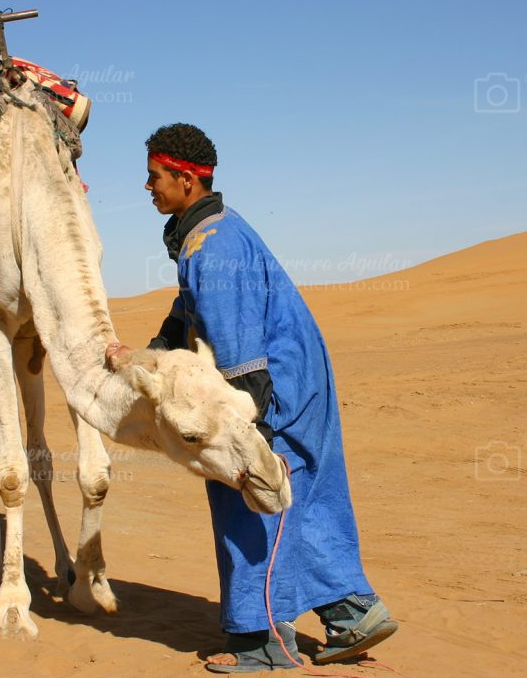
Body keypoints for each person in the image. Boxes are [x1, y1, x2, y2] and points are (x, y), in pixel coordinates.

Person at [139, 123, 397, 673]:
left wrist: (244, 425)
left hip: (268, 389)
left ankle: (264, 643)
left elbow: (236, 344)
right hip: (298, 377)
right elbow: (188, 311)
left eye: (155, 176)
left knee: (252, 498)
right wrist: (150, 353)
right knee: (302, 496)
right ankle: (354, 613)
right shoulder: (208, 232)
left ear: (185, 179)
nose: (149, 187)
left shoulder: (213, 244)